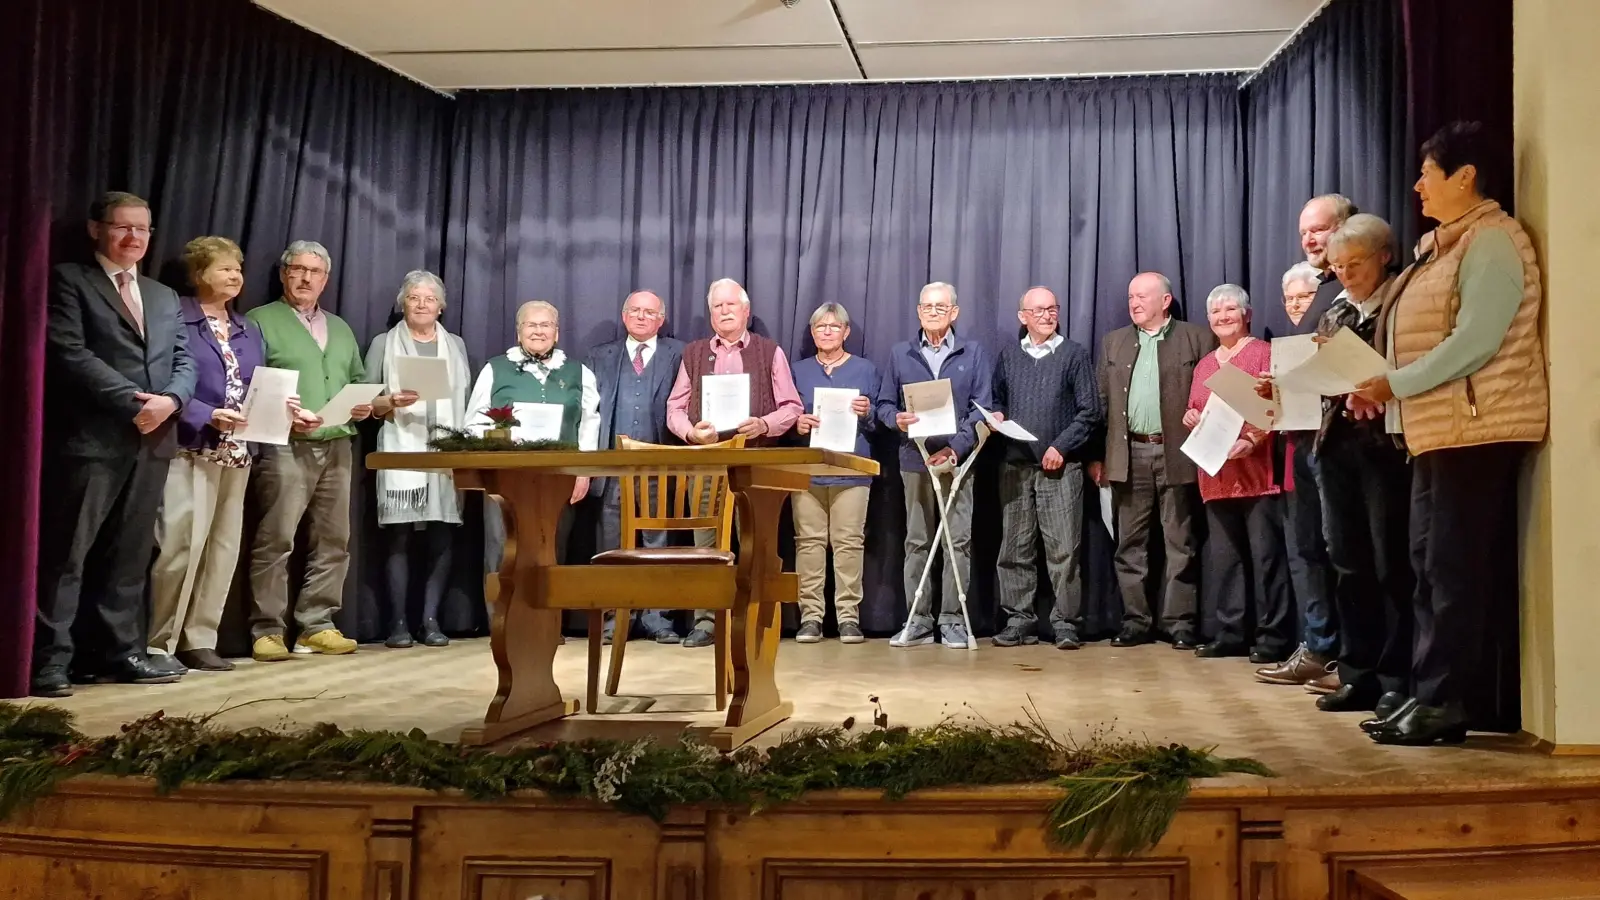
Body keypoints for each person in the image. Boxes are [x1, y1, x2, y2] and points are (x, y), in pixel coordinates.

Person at [1352, 121, 1547, 745]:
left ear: (1465, 176)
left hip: (1477, 427)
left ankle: (1449, 701)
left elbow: (1477, 340)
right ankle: (1425, 692)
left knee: (1454, 570)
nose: (1417, 186)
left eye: (1428, 174)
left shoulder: (1490, 241)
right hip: (1438, 431)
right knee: (1428, 568)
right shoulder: (1442, 247)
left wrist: (1396, 385)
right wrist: (1380, 392)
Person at [32, 192, 196, 696]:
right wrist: (133, 402)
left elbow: (185, 361)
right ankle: (51, 661)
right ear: (96, 229)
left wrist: (170, 401)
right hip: (93, 440)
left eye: (142, 230)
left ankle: (121, 651)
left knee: (128, 556)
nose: (133, 238)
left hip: (153, 441)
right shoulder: (70, 279)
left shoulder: (163, 295)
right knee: (68, 555)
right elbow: (68, 351)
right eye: (123, 228)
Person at [1301, 214, 1415, 713]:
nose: (1345, 275)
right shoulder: (1336, 309)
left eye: (1355, 264)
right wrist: (1286, 384)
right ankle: (1358, 672)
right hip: (1337, 446)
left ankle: (1397, 677)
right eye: (1338, 266)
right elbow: (1323, 372)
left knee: (1391, 563)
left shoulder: (1401, 302)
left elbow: (1412, 369)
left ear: (1384, 256)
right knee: (1347, 564)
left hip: (1386, 448)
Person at [147, 237, 273, 674]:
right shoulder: (178, 318)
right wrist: (203, 413)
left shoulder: (247, 327)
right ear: (200, 274)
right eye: (224, 268)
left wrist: (284, 408)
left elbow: (258, 383)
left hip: (238, 451)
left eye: (237, 268)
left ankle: (200, 639)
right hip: (190, 444)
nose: (235, 275)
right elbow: (163, 375)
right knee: (180, 545)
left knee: (222, 548)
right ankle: (159, 642)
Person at [246, 240, 371, 662]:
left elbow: (357, 378)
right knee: (276, 538)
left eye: (314, 272)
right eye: (297, 269)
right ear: (283, 274)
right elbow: (246, 384)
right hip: (285, 444)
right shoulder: (260, 320)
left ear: (326, 279)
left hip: (337, 443)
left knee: (334, 539)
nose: (305, 278)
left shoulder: (339, 326)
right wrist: (283, 413)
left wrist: (368, 403)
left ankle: (318, 624)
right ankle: (266, 629)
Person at [666, 278, 804, 648]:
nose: (724, 311)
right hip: (708, 460)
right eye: (717, 307)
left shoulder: (768, 351)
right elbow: (674, 408)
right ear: (710, 314)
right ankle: (707, 620)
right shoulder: (693, 353)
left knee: (755, 540)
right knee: (705, 543)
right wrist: (692, 433)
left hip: (754, 458)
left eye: (731, 305)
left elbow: (792, 407)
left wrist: (763, 423)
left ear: (746, 310)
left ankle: (756, 617)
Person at [1091, 272, 1215, 649]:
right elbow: (1101, 405)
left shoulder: (1196, 338)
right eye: (1130, 296)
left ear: (1165, 301)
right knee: (1130, 544)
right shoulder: (1114, 342)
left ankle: (1179, 623)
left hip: (1178, 453)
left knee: (1181, 542)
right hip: (1128, 455)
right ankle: (1135, 621)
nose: (1134, 303)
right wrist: (1097, 458)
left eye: (1142, 296)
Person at [877, 282, 993, 650]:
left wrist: (956, 449)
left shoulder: (972, 352)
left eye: (941, 307)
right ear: (917, 311)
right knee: (916, 541)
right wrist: (895, 418)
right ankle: (919, 620)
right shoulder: (901, 354)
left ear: (954, 312)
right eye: (927, 307)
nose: (933, 312)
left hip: (958, 462)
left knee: (956, 541)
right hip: (915, 460)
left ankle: (953, 620)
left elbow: (981, 408)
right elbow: (882, 404)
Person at [1183, 285, 1292, 663]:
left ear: (1247, 314)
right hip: (1216, 474)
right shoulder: (1204, 365)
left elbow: (1280, 409)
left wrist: (1252, 439)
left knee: (1267, 559)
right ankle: (1231, 632)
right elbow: (1194, 409)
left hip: (1258, 472)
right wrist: (1191, 417)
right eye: (1215, 312)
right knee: (1225, 560)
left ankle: (1273, 636)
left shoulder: (1264, 354)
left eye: (1230, 309)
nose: (1223, 316)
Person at [365, 270, 472, 649]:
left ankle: (430, 619)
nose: (422, 304)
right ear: (403, 304)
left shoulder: (455, 345)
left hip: (445, 451)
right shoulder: (384, 343)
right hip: (400, 448)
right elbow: (365, 402)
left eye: (429, 298)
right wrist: (389, 402)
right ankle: (397, 622)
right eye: (414, 297)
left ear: (441, 307)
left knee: (442, 535)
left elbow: (467, 398)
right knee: (400, 536)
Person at [990, 287, 1100, 650]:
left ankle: (1066, 623)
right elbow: (997, 401)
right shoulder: (1008, 356)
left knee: (1064, 549)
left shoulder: (1073, 354)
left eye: (1052, 309)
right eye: (1038, 310)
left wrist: (1061, 447)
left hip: (1060, 468)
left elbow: (1090, 411)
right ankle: (1019, 620)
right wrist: (997, 416)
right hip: (1016, 466)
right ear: (1022, 316)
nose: (1046, 315)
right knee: (1014, 549)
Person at [1254, 259, 1341, 687]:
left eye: (1304, 297)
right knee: (1306, 554)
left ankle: (1340, 654)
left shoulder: (1329, 337)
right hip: (1294, 453)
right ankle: (1317, 644)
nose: (1295, 306)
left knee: (1335, 552)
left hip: (1330, 451)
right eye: (1289, 299)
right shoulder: (1285, 346)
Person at [466, 300, 601, 573]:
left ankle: (547, 616)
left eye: (546, 325)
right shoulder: (495, 369)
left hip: (558, 479)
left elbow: (588, 424)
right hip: (504, 479)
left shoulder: (579, 372)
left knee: (552, 549)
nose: (538, 331)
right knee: (501, 549)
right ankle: (500, 615)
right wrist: (502, 441)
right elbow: (473, 424)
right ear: (519, 332)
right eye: (531, 324)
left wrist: (583, 473)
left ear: (557, 332)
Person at [587, 290, 685, 645]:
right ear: (624, 315)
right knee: (612, 545)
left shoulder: (680, 353)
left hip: (661, 466)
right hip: (613, 468)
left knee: (658, 544)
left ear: (661, 319)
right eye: (635, 311)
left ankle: (658, 617)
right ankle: (614, 619)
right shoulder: (600, 356)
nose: (642, 317)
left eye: (650, 312)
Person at [789, 303, 878, 644]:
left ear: (846, 332)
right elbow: (786, 416)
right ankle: (810, 617)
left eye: (834, 326)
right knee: (808, 544)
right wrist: (798, 424)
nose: (827, 332)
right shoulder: (797, 370)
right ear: (812, 333)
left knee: (848, 544)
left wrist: (867, 412)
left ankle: (848, 618)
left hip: (852, 470)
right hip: (808, 471)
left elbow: (880, 419)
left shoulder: (865, 370)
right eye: (820, 327)